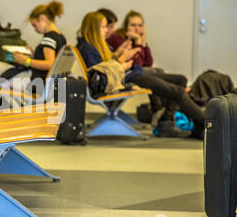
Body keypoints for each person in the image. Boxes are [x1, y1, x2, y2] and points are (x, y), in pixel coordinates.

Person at [76, 11, 205, 139]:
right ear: (94, 28)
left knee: (179, 81)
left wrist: (120, 54)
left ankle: (167, 121)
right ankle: (206, 124)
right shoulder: (90, 48)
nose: (107, 30)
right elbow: (101, 75)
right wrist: (121, 61)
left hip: (131, 73)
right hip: (128, 77)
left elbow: (146, 63)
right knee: (178, 92)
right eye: (103, 27)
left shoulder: (93, 45)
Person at [12, 0, 66, 89]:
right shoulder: (60, 37)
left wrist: (26, 61)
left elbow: (50, 64)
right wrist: (34, 54)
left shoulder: (49, 38)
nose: (34, 29)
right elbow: (49, 59)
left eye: (34, 25)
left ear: (42, 18)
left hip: (39, 83)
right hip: (51, 84)